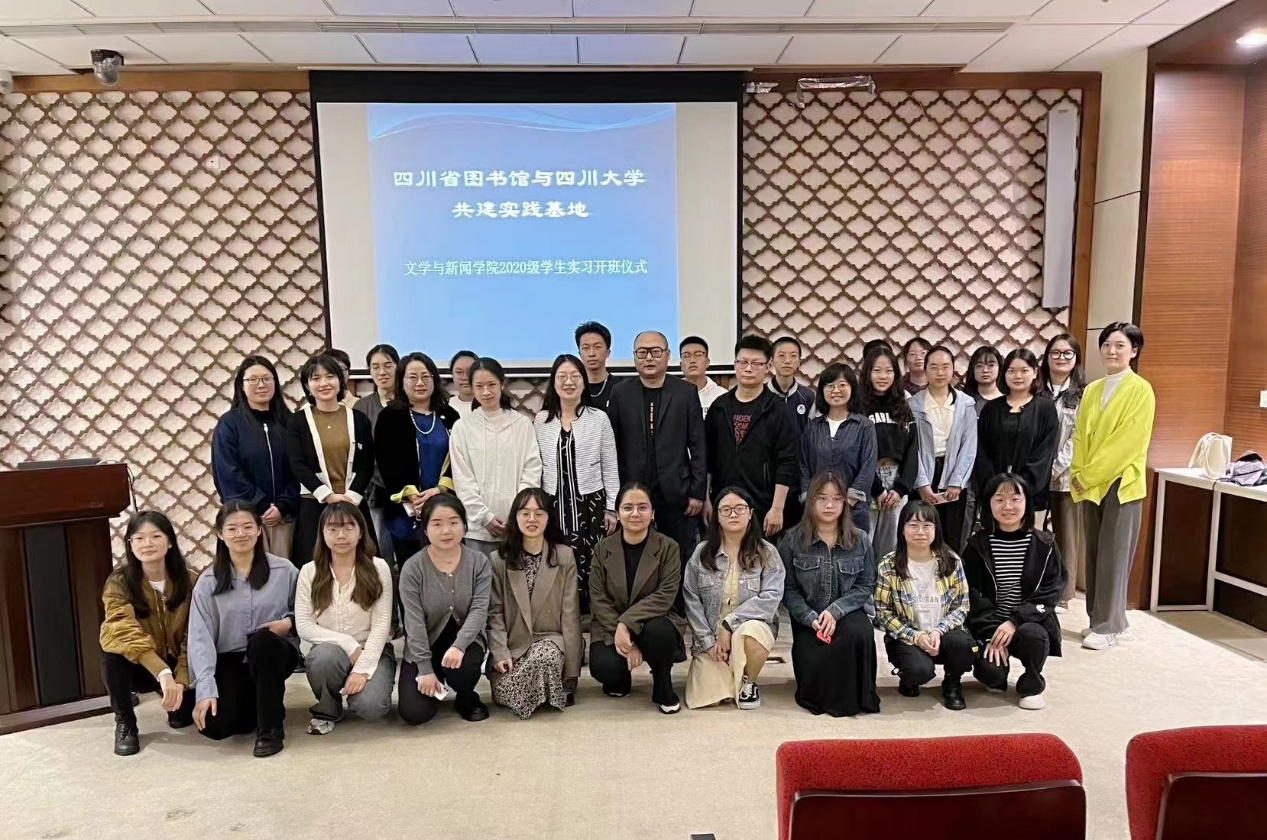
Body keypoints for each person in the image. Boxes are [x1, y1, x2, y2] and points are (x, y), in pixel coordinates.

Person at [189, 502, 300, 757]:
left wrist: (289, 622)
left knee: (263, 642)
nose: (241, 534)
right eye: (232, 528)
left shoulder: (284, 570)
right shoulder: (207, 582)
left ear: (259, 530)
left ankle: (270, 730)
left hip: (274, 653)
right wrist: (205, 690)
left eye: (248, 527)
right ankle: (262, 703)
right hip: (231, 659)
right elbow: (200, 640)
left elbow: (307, 612)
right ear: (220, 534)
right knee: (216, 727)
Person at [1072, 323, 1156, 651]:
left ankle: (1108, 625)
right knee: (1095, 554)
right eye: (1107, 344)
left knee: (1114, 555)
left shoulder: (1141, 390)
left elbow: (1128, 442)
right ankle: (1103, 619)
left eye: (1120, 345)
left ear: (1134, 351)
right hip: (1090, 483)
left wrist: (1088, 475)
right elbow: (1080, 435)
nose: (1112, 351)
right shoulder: (1093, 389)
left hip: (1122, 483)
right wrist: (1079, 473)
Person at [779, 470, 880, 717]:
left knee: (859, 633)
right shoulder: (792, 540)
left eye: (836, 499)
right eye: (822, 498)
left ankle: (856, 698)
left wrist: (835, 611)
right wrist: (810, 617)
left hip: (847, 612)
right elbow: (788, 590)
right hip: (809, 618)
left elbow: (865, 585)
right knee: (818, 659)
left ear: (845, 502)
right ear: (811, 501)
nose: (829, 505)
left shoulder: (860, 539)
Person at [99, 511, 199, 756]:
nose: (147, 543)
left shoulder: (191, 581)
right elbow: (123, 629)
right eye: (139, 538)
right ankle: (125, 722)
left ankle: (175, 695)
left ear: (170, 541)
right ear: (130, 544)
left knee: (181, 719)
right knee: (112, 649)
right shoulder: (119, 582)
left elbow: (194, 635)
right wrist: (162, 672)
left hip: (179, 664)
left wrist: (180, 680)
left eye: (156, 536)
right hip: (142, 666)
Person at [963, 473, 1064, 710]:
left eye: (1015, 499)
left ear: (1027, 502)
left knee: (1034, 637)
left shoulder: (1045, 544)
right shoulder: (977, 544)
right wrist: (992, 632)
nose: (1007, 506)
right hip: (990, 624)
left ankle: (1032, 684)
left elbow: (1051, 590)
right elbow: (971, 593)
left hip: (1028, 622)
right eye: (999, 499)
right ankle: (996, 673)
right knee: (991, 676)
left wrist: (1015, 621)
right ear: (988, 504)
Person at [294, 502, 394, 736]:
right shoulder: (309, 571)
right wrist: (348, 645)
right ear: (322, 533)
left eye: (349, 527)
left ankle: (358, 688)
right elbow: (304, 625)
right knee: (323, 659)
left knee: (371, 707)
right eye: (333, 528)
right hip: (330, 651)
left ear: (361, 532)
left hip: (372, 648)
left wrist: (363, 669)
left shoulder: (378, 567)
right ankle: (328, 708)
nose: (341, 535)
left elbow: (381, 625)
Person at [606, 330, 706, 562]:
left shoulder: (685, 392)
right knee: (636, 557)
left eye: (655, 352)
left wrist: (697, 492)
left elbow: (698, 445)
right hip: (633, 491)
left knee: (677, 556)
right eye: (642, 352)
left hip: (676, 491)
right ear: (634, 356)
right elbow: (612, 447)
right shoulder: (621, 392)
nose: (649, 357)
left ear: (668, 355)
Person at [682, 487, 784, 710]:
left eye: (740, 508)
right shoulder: (702, 553)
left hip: (749, 628)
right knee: (707, 699)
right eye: (726, 510)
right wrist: (708, 642)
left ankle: (749, 681)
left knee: (751, 631)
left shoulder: (767, 553)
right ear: (717, 517)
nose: (733, 514)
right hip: (711, 636)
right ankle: (729, 675)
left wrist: (729, 624)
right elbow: (691, 600)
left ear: (750, 513)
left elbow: (771, 599)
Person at [589, 482, 686, 714]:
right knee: (606, 667)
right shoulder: (602, 549)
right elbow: (598, 598)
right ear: (618, 513)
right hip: (611, 624)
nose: (635, 513)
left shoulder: (668, 547)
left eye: (642, 507)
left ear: (653, 514)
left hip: (655, 620)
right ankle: (621, 677)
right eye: (628, 507)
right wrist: (621, 632)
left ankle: (662, 682)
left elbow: (665, 596)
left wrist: (626, 623)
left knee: (660, 632)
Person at [534, 353, 619, 615]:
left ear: (584, 382)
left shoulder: (598, 418)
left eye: (575, 376)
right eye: (562, 377)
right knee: (558, 555)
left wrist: (612, 508)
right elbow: (536, 465)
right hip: (554, 502)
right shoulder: (541, 420)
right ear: (553, 382)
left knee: (592, 558)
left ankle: (593, 614)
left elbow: (610, 465)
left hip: (590, 502)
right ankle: (563, 614)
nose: (568, 382)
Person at [487, 488, 583, 719]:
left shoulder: (564, 555)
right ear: (515, 517)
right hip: (514, 647)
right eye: (525, 513)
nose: (532, 519)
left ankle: (551, 684)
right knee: (502, 691)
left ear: (548, 518)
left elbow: (570, 615)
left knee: (546, 656)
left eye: (539, 513)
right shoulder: (498, 559)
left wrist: (572, 672)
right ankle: (545, 689)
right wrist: (500, 653)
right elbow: (494, 613)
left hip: (551, 641)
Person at [397, 495, 492, 724]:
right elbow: (413, 622)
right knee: (415, 712)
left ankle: (466, 695)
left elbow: (479, 610)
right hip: (426, 644)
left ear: (464, 525)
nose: (446, 530)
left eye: (453, 522)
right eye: (437, 524)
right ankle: (435, 678)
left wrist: (459, 646)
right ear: (425, 529)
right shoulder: (412, 568)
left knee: (464, 666)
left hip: (465, 645)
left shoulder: (479, 562)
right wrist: (424, 669)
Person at [874, 501, 975, 710]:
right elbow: (883, 613)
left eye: (927, 525)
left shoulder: (952, 561)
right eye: (913, 525)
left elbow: (962, 606)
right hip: (907, 635)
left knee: (963, 646)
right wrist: (916, 636)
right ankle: (908, 678)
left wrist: (939, 631)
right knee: (919, 671)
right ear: (902, 529)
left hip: (944, 633)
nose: (920, 532)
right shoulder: (888, 564)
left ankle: (952, 683)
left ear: (936, 530)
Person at [705, 335, 799, 538]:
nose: (748, 369)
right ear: (735, 364)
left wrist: (777, 508)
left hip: (762, 505)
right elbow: (708, 459)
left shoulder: (778, 410)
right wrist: (706, 499)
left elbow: (787, 462)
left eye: (756, 363)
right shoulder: (719, 407)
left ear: (768, 367)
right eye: (743, 362)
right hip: (723, 503)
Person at [287, 353, 375, 568]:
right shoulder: (298, 421)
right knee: (315, 568)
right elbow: (297, 464)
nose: (324, 383)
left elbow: (366, 464)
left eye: (330, 377)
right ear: (307, 386)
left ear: (340, 380)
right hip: (314, 506)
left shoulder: (358, 419)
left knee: (362, 566)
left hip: (353, 504)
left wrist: (350, 497)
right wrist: (327, 495)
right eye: (316, 378)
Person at [450, 356, 543, 555]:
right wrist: (485, 517)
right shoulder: (462, 427)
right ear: (472, 388)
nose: (486, 392)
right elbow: (462, 479)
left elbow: (532, 470)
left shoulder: (522, 424)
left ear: (502, 384)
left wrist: (518, 513)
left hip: (517, 526)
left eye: (491, 384)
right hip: (477, 529)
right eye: (479, 386)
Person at [374, 352, 460, 564]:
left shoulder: (450, 416)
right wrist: (414, 498)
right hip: (406, 510)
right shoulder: (389, 417)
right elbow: (386, 463)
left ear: (434, 379)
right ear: (401, 381)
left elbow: (460, 460)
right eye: (412, 377)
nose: (420, 383)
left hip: (444, 503)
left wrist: (440, 491)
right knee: (411, 568)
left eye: (426, 376)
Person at [212, 355, 299, 559]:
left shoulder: (290, 421)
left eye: (267, 379)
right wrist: (261, 505)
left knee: (286, 571)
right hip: (247, 521)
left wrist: (283, 505)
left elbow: (301, 467)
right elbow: (228, 472)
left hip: (286, 518)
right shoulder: (230, 424)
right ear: (241, 386)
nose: (261, 385)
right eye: (253, 380)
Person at [974, 348, 1059, 523]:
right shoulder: (991, 409)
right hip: (995, 495)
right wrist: (996, 486)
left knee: (1031, 538)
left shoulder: (1046, 408)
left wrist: (1020, 488)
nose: (1017, 376)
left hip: (1033, 496)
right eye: (1011, 371)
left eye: (1024, 370)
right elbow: (981, 451)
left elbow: (1045, 454)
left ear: (1035, 372)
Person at [909, 345, 978, 554]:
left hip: (954, 475)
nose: (940, 372)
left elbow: (969, 445)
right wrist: (922, 484)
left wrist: (957, 482)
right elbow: (912, 448)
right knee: (922, 534)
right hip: (923, 474)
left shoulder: (966, 404)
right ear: (925, 369)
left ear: (953, 369)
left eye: (946, 367)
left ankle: (950, 573)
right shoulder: (913, 405)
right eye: (934, 367)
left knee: (952, 537)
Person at [799, 362, 877, 534]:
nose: (836, 390)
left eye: (842, 385)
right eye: (830, 386)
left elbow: (868, 465)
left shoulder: (864, 426)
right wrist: (810, 499)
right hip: (817, 511)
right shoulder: (812, 427)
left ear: (852, 389)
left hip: (854, 510)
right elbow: (804, 465)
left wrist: (848, 501)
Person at [1041, 333, 1086, 611]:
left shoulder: (1084, 393)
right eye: (1055, 353)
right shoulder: (1036, 389)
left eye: (1067, 353)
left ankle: (1064, 594)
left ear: (1076, 358)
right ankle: (1034, 589)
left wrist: (1056, 467)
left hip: (1066, 476)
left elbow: (1079, 437)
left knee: (1067, 536)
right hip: (1035, 475)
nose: (1061, 358)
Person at [859, 346, 918, 559]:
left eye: (889, 371)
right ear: (867, 373)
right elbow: (856, 450)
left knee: (891, 546)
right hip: (867, 481)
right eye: (877, 370)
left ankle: (887, 581)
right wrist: (876, 488)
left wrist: (900, 489)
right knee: (863, 541)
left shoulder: (903, 407)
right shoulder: (858, 406)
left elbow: (912, 449)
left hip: (896, 481)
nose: (883, 376)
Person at [354, 343, 399, 562]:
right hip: (374, 489)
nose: (382, 372)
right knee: (380, 546)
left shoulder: (408, 403)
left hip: (408, 490)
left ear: (398, 367)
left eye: (388, 365)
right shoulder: (361, 407)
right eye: (376, 367)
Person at [768, 336, 816, 527]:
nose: (787, 361)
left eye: (793, 356)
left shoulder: (808, 396)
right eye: (781, 356)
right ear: (771, 361)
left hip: (800, 477)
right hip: (770, 478)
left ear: (799, 362)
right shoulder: (763, 395)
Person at [679, 335, 728, 417]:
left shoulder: (722, 395)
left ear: (707, 362)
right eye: (686, 355)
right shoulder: (672, 394)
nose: (692, 360)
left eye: (698, 355)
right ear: (681, 365)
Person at [576, 321, 619, 412]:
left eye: (597, 347)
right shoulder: (573, 388)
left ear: (608, 352)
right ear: (579, 353)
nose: (591, 353)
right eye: (585, 348)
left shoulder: (621, 388)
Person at [964, 345, 1005, 413]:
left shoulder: (1009, 400)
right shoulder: (964, 399)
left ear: (1000, 368)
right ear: (972, 369)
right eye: (979, 366)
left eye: (991, 365)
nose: (985, 370)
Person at [448, 350, 478, 418]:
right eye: (459, 372)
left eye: (470, 371)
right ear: (452, 374)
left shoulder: (492, 404)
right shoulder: (445, 407)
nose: (465, 377)